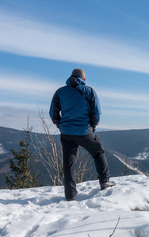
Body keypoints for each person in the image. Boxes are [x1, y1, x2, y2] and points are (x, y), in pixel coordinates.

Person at [49, 68, 115, 200]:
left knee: (69, 163)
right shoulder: (89, 91)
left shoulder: (60, 92)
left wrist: (61, 126)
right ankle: (104, 181)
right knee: (98, 152)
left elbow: (53, 113)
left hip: (66, 133)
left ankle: (70, 194)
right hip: (84, 131)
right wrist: (92, 126)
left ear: (70, 77)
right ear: (83, 79)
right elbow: (96, 113)